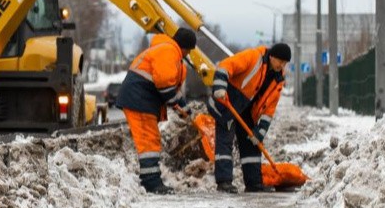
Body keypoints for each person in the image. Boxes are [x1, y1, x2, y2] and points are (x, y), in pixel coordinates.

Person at [115, 27, 197, 195]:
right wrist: (177, 104)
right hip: (139, 98)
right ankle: (151, 183)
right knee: (148, 140)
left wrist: (183, 107)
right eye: (189, 51)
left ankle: (151, 180)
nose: (188, 55)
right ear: (185, 47)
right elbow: (165, 85)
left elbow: (171, 89)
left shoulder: (166, 50)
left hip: (141, 98)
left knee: (151, 139)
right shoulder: (169, 51)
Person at [208, 42, 291, 193]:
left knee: (251, 144)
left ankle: (254, 184)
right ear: (271, 56)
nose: (282, 65)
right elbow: (225, 65)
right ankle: (224, 182)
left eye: (285, 63)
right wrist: (220, 87)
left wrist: (260, 132)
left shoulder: (278, 80)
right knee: (225, 141)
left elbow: (269, 109)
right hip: (226, 102)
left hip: (246, 109)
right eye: (280, 61)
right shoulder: (253, 57)